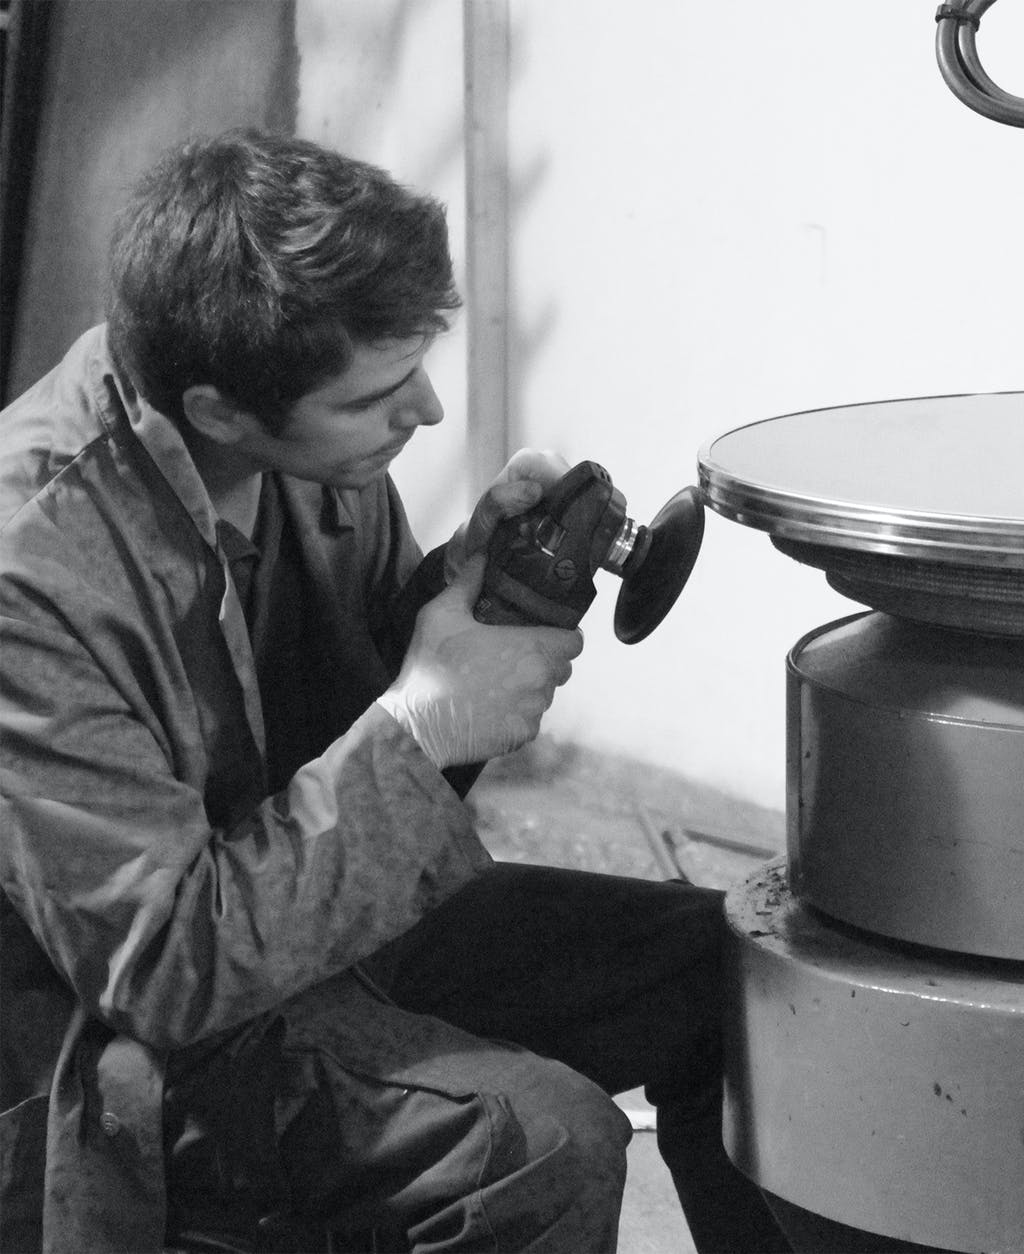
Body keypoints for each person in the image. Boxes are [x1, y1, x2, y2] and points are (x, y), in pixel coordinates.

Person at [0, 129, 791, 1253]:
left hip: (315, 934)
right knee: (539, 1143)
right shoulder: (31, 576)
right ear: (219, 408)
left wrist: (473, 595)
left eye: (420, 364)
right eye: (377, 394)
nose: (422, 411)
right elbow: (168, 974)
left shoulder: (303, 459)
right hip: (123, 1051)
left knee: (741, 981)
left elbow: (349, 740)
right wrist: (421, 724)